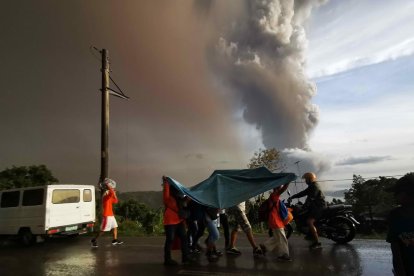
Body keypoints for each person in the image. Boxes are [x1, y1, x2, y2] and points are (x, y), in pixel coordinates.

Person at [385, 173, 414, 276]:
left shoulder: (395, 215)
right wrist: (400, 271)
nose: (395, 196)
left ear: (406, 193)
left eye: (397, 193)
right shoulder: (395, 215)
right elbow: (395, 247)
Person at [288, 172, 326, 249]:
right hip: (315, 207)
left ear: (310, 179)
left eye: (306, 179)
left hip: (319, 207)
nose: (305, 181)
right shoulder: (312, 186)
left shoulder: (314, 187)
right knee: (305, 216)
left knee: (309, 221)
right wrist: (293, 197)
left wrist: (304, 206)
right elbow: (303, 193)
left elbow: (311, 198)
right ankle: (310, 234)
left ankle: (317, 242)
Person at [162, 176, 191, 266]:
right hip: (170, 222)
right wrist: (166, 183)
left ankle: (185, 258)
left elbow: (187, 201)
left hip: (179, 221)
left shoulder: (180, 200)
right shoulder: (168, 198)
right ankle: (167, 260)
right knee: (170, 240)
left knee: (184, 239)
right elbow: (166, 193)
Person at [260, 183, 292, 261]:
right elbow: (284, 188)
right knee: (282, 237)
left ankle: (265, 247)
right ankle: (284, 255)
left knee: (277, 237)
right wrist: (288, 181)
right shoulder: (275, 195)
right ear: (277, 188)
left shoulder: (273, 196)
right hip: (275, 220)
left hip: (273, 220)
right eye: (279, 187)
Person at [91, 178, 123, 247]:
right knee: (103, 230)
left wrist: (114, 194)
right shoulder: (106, 197)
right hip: (107, 216)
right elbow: (111, 192)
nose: (113, 191)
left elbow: (116, 201)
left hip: (111, 215)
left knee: (115, 227)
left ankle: (115, 240)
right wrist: (108, 185)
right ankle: (94, 240)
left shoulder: (110, 198)